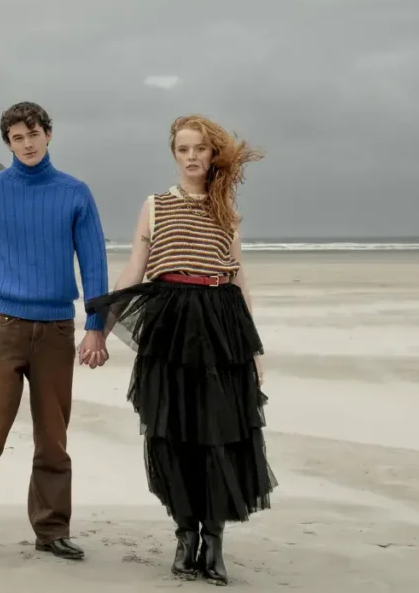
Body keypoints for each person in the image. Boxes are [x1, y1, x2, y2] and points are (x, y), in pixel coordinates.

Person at [82, 114, 276, 585]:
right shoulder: (154, 205)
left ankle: (213, 542)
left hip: (221, 326)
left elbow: (238, 277)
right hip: (170, 326)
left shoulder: (226, 208)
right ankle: (185, 534)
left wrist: (254, 351)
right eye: (183, 149)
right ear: (175, 154)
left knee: (219, 436)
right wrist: (97, 331)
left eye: (200, 149)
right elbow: (134, 271)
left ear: (213, 155)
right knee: (170, 435)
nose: (191, 156)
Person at [0, 100, 109, 561]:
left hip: (55, 330)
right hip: (3, 329)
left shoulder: (75, 193)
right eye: (17, 137)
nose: (27, 144)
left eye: (34, 134)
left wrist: (95, 326)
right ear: (8, 143)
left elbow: (94, 264)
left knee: (53, 437)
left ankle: (52, 531)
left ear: (49, 135)